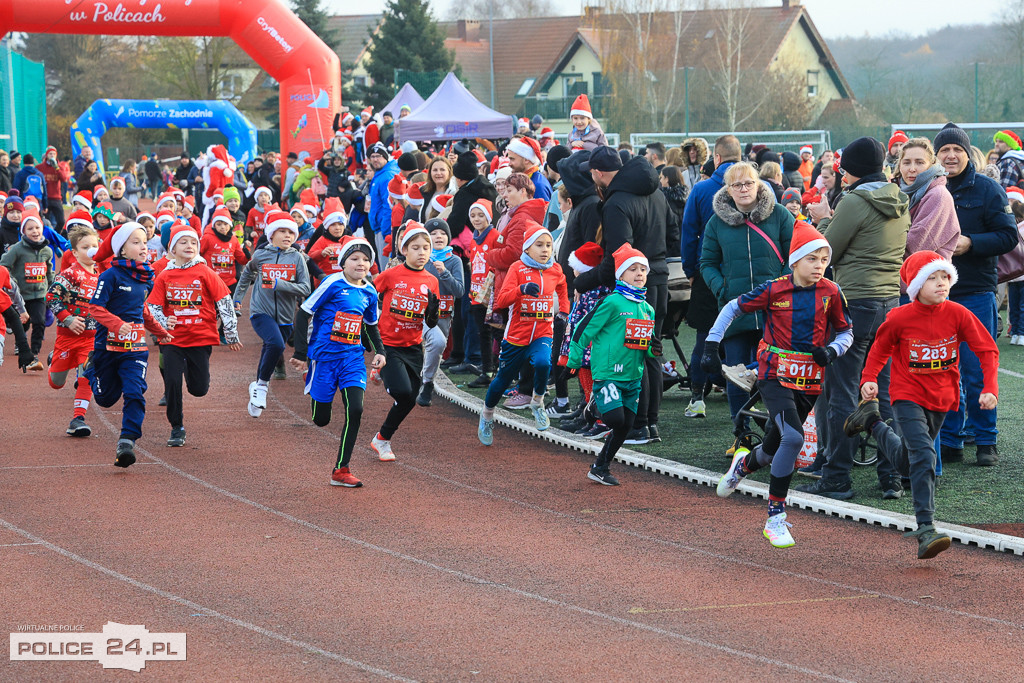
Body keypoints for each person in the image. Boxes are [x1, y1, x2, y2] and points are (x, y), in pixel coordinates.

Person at [844, 251, 998, 559]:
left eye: (945, 277)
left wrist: (990, 387)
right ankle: (926, 528)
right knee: (926, 455)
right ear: (915, 285)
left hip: (943, 398)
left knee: (907, 461)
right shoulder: (900, 317)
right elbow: (879, 348)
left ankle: (872, 423)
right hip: (907, 395)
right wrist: (868, 378)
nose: (941, 283)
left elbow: (987, 350)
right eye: (932, 277)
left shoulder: (958, 313)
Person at [709, 222, 853, 548]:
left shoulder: (831, 292)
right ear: (795, 261)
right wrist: (710, 344)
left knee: (774, 449)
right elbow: (733, 307)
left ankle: (743, 465)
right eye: (812, 259)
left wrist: (832, 350)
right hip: (773, 374)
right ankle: (775, 517)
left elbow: (847, 332)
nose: (819, 266)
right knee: (793, 437)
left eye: (823, 259)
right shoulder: (775, 289)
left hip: (809, 381)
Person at [799, 136, 909, 499]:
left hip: (855, 301)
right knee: (885, 389)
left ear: (854, 169)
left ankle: (838, 477)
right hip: (890, 302)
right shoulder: (899, 199)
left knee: (842, 390)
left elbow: (827, 249)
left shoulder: (854, 201)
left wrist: (823, 218)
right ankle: (890, 475)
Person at [928, 123, 1018, 466]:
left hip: (975, 291)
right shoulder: (926, 188)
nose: (950, 156)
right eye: (944, 151)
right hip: (935, 296)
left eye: (957, 150)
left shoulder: (988, 189)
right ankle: (950, 440)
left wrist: (971, 243)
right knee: (942, 369)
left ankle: (985, 440)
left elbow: (1008, 237)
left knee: (977, 368)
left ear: (968, 153)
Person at [576, 146, 670, 444]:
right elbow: (674, 231)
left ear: (599, 172)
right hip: (659, 279)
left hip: (634, 286)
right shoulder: (655, 191)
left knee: (634, 353)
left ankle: (638, 425)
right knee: (650, 350)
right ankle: (649, 424)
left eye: (592, 173)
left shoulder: (617, 202)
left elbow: (616, 258)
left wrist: (581, 282)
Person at [700, 161, 795, 451]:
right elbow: (707, 263)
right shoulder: (717, 222)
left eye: (748, 183)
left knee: (776, 371)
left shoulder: (779, 215)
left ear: (758, 184)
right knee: (734, 373)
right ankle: (740, 433)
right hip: (736, 311)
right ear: (728, 189)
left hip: (775, 310)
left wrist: (783, 285)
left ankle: (777, 431)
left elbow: (796, 254)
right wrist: (723, 288)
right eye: (736, 185)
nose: (743, 189)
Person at [292, 237, 385, 488]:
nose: (361, 263)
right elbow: (303, 313)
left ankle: (341, 470)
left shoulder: (369, 291)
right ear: (343, 263)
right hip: (324, 356)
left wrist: (379, 351)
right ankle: (311, 378)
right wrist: (301, 353)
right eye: (354, 258)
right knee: (321, 419)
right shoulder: (332, 283)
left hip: (352, 358)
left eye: (366, 259)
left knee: (355, 410)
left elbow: (371, 326)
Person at [567, 244, 657, 485]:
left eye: (643, 269)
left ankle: (600, 467)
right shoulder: (612, 302)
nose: (639, 274)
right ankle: (593, 406)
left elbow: (644, 344)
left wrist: (653, 348)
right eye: (633, 269)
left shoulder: (647, 309)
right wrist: (572, 360)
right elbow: (583, 330)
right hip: (608, 373)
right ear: (620, 274)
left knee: (625, 426)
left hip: (633, 377)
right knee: (615, 420)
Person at [85, 221, 173, 466]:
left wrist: (159, 331)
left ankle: (127, 441)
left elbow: (141, 309)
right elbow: (95, 308)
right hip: (107, 347)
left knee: (135, 392)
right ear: (121, 250)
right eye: (136, 242)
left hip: (135, 349)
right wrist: (115, 324)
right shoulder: (110, 275)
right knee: (105, 399)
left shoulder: (146, 278)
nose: (144, 247)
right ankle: (90, 370)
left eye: (145, 242)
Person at [147, 224, 241, 446]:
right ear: (172, 247)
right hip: (172, 339)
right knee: (171, 380)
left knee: (199, 389)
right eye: (183, 242)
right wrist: (162, 322)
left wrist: (231, 333)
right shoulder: (165, 275)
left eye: (193, 242)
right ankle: (176, 427)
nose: (189, 246)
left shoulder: (206, 272)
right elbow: (152, 307)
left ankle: (190, 369)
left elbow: (224, 302)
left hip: (200, 337)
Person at [477, 223, 569, 445]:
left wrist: (564, 312)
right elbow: (502, 300)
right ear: (527, 248)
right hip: (517, 336)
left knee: (544, 364)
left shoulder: (555, 269)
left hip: (543, 333)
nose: (546, 249)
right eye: (539, 245)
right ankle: (487, 415)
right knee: (502, 380)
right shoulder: (517, 268)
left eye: (548, 245)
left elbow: (563, 289)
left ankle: (537, 402)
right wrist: (522, 290)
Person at [368, 224, 440, 461]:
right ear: (404, 249)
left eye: (426, 248)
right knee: (401, 390)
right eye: (416, 248)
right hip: (388, 344)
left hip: (413, 346)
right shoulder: (391, 274)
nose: (422, 253)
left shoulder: (431, 280)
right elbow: (369, 294)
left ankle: (382, 439)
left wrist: (432, 312)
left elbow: (431, 319)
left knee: (411, 397)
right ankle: (382, 370)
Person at [681, 135, 740, 420]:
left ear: (716, 158)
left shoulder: (702, 189)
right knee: (748, 337)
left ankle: (697, 397)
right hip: (745, 274)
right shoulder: (759, 188)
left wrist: (691, 270)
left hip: (709, 272)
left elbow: (689, 233)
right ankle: (743, 396)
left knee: (705, 336)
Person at [233, 210, 312, 418]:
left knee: (273, 347)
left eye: (291, 232)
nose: (288, 236)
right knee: (275, 344)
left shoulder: (297, 258)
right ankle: (262, 386)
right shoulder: (260, 255)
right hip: (260, 312)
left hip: (286, 317)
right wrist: (237, 300)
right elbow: (246, 274)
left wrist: (281, 284)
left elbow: (305, 288)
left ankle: (257, 386)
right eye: (283, 231)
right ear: (271, 234)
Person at [46, 225, 100, 436]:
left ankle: (78, 418)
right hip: (67, 338)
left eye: (94, 246)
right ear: (75, 252)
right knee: (57, 383)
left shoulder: (101, 276)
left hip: (90, 339)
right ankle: (54, 359)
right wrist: (67, 319)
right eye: (85, 247)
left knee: (87, 374)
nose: (91, 251)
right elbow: (51, 296)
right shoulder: (70, 274)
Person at [417, 218, 465, 406]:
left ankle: (426, 381)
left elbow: (459, 291)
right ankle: (425, 382)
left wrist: (445, 273)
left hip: (444, 315)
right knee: (428, 344)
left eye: (443, 233)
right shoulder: (422, 259)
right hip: (420, 315)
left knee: (437, 347)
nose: (438, 236)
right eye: (434, 233)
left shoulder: (454, 261)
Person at [897, 138, 960, 265]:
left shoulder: (938, 195)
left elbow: (914, 245)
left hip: (927, 279)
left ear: (931, 165)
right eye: (906, 162)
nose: (912, 169)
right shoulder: (902, 193)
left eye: (920, 163)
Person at [0, 207, 54, 359]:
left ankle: (34, 351)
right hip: (22, 295)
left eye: (37, 227)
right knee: (23, 323)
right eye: (30, 229)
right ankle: (20, 343)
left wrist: (51, 287)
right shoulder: (17, 249)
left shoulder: (47, 251)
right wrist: (12, 281)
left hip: (39, 294)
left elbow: (49, 271)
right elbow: (4, 265)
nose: (35, 231)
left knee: (39, 322)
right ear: (24, 231)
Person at [366, 142, 400, 268]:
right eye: (373, 156)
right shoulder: (380, 173)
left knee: (386, 267)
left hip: (384, 230)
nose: (375, 159)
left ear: (385, 157)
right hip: (379, 228)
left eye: (378, 156)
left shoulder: (386, 175)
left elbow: (388, 206)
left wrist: (385, 230)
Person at [505, 136, 551, 202]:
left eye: (512, 159)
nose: (509, 164)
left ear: (526, 159)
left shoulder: (537, 185)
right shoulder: (529, 180)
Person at [39, 146, 66, 231]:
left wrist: (57, 168)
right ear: (46, 155)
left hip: (56, 197)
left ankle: (55, 236)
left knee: (61, 221)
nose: (52, 155)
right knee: (46, 221)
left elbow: (64, 179)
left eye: (54, 154)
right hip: (45, 198)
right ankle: (48, 238)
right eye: (50, 153)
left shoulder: (59, 166)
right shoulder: (40, 167)